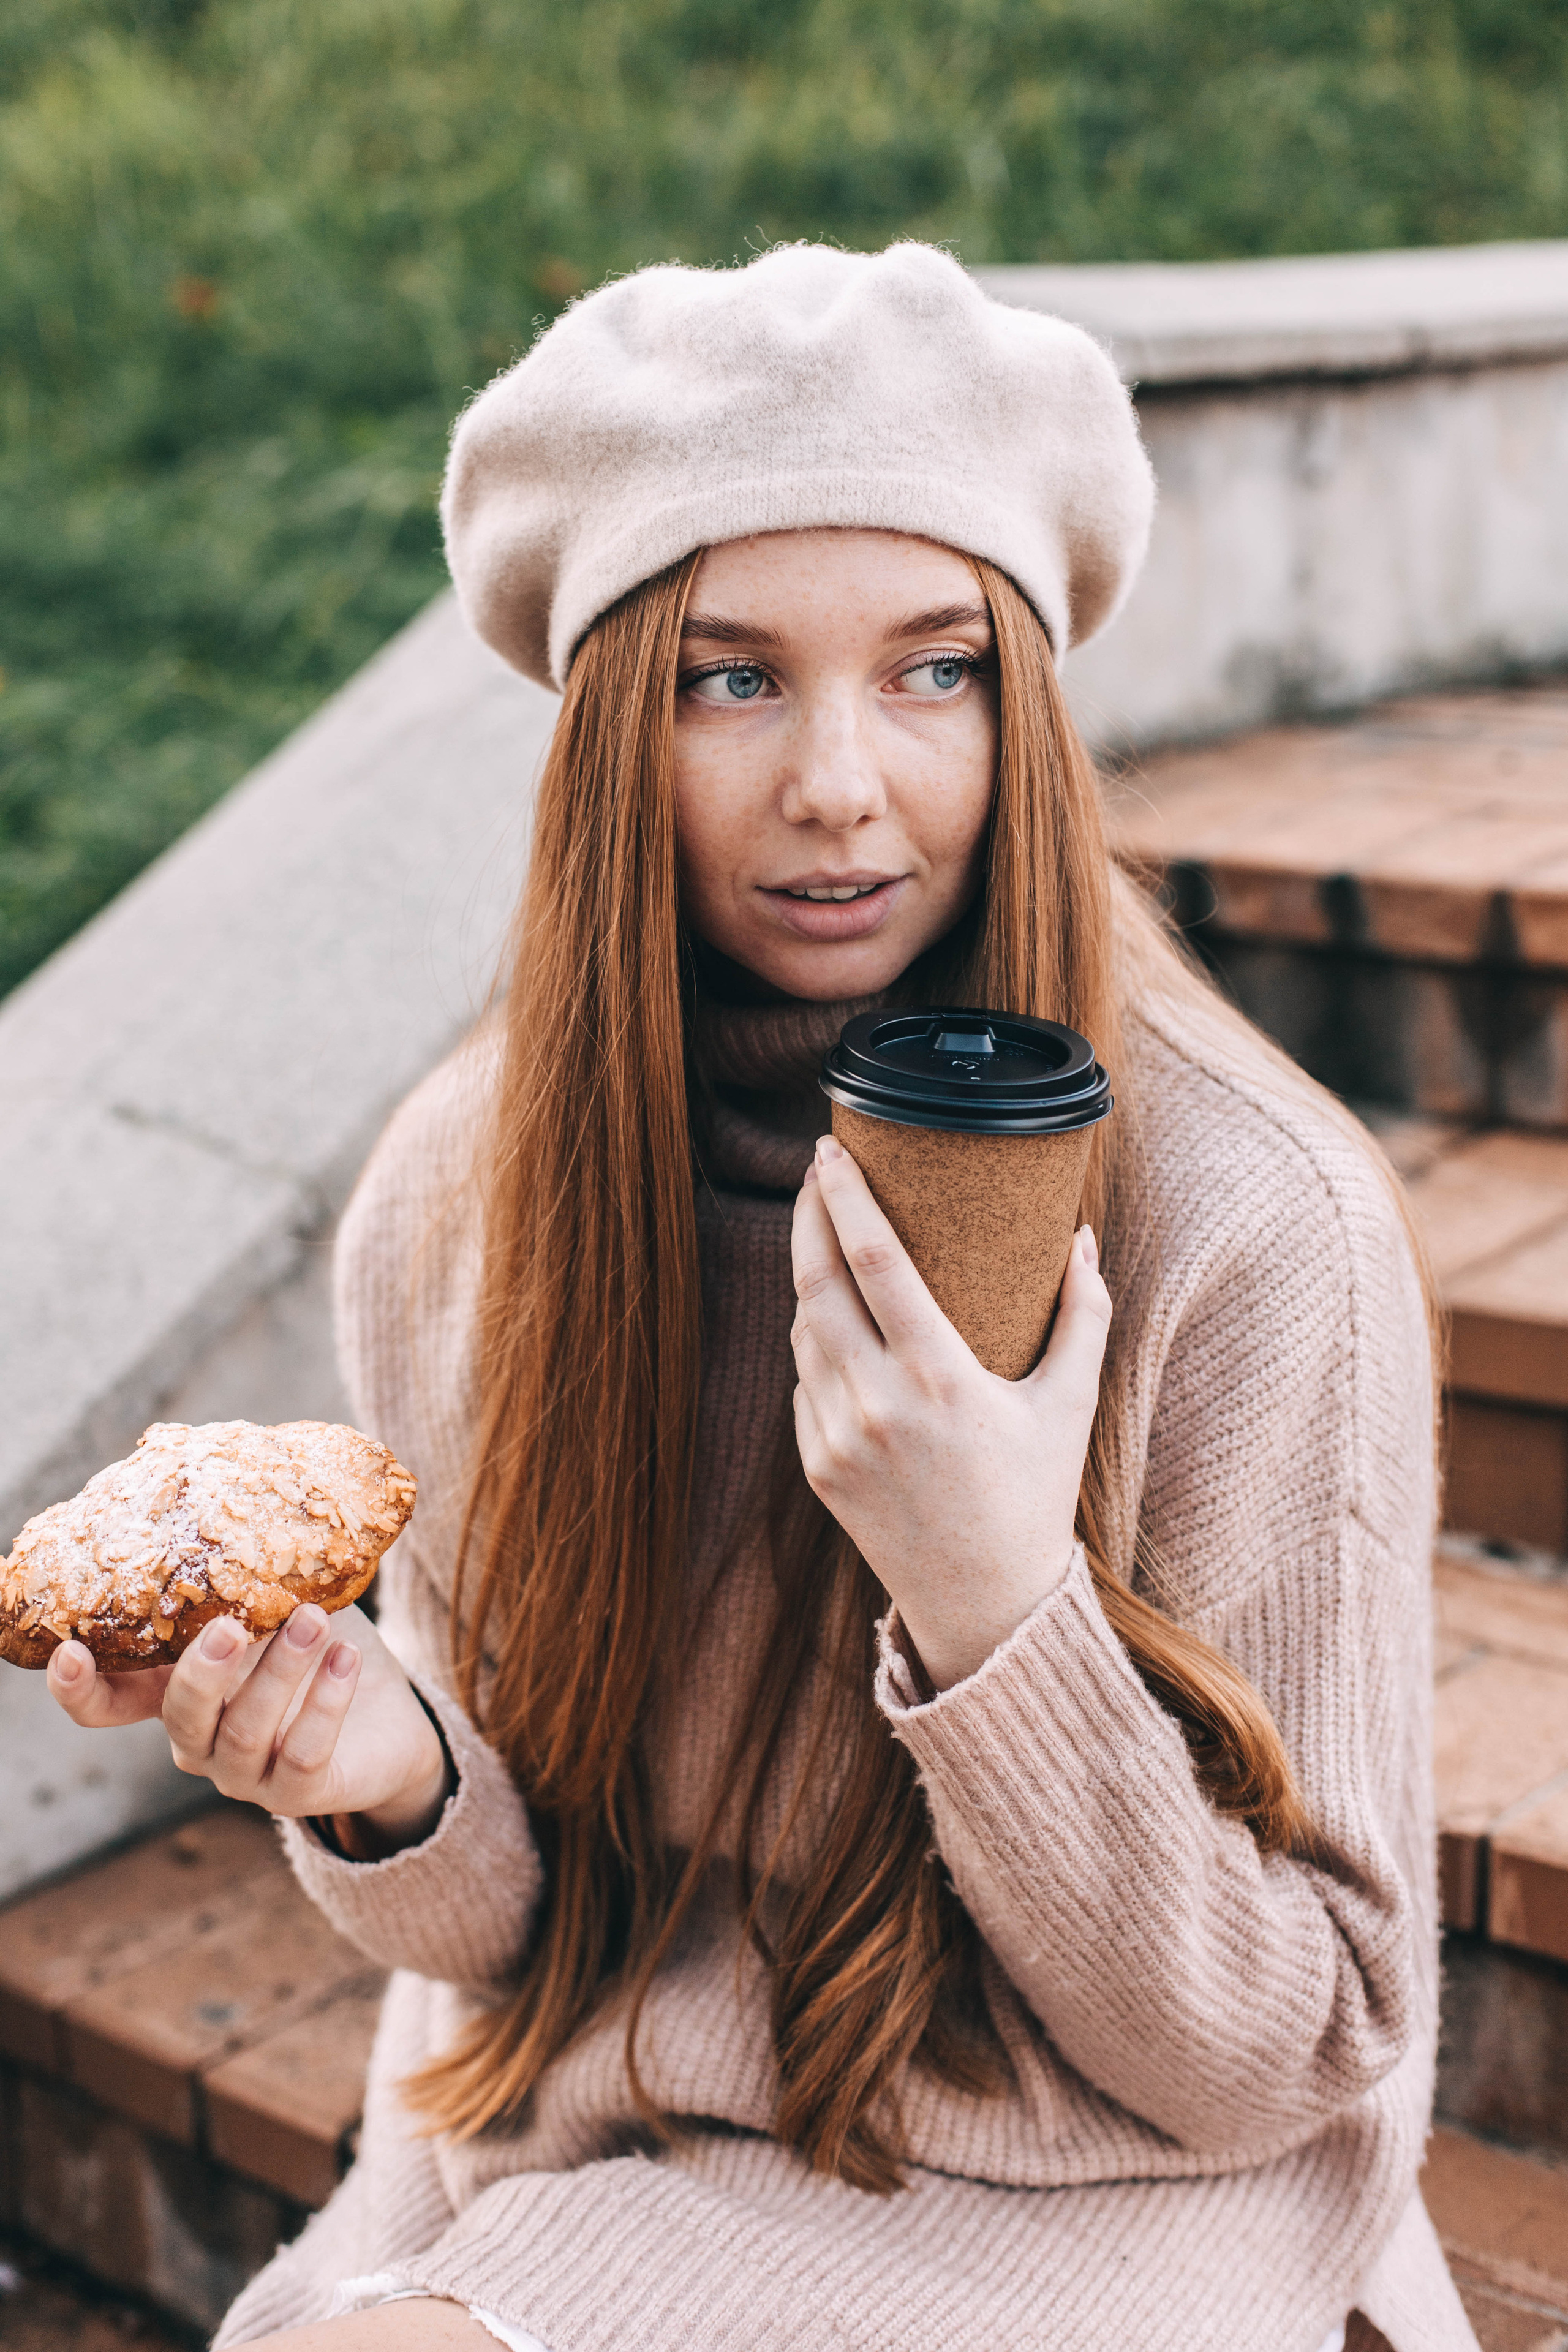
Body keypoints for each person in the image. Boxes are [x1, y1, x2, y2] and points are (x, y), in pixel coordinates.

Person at [47, 244, 1476, 2352]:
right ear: (615, 725)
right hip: (598, 2117)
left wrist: (997, 1599)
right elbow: (514, 1941)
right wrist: (386, 1773)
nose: (841, 785)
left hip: (1096, 2176)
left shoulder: (1250, 1223)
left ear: (1027, 696)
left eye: (933, 670)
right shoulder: (461, 1205)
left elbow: (1295, 2052)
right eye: (733, 678)